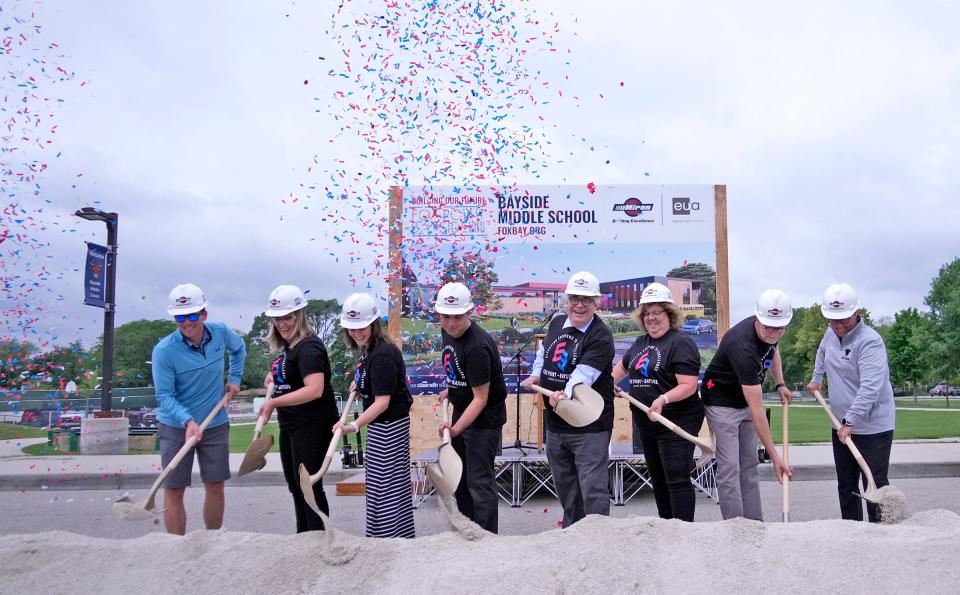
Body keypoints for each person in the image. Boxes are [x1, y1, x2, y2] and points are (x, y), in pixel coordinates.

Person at [521, 271, 615, 528]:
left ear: (597, 303)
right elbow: (544, 353)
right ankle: (574, 536)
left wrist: (566, 393)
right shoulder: (557, 323)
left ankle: (597, 538)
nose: (580, 305)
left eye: (587, 300)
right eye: (575, 298)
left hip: (590, 427)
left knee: (592, 490)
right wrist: (536, 375)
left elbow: (583, 377)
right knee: (566, 487)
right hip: (557, 424)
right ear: (566, 300)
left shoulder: (600, 336)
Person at [151, 283, 246, 535]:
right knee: (173, 488)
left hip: (214, 423)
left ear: (204, 314)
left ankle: (212, 541)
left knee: (215, 484)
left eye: (193, 315)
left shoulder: (221, 332)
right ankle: (176, 548)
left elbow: (239, 349)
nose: (187, 323)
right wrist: (187, 421)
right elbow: (165, 396)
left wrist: (235, 378)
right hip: (175, 425)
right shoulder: (164, 351)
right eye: (180, 317)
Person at [612, 283, 703, 521]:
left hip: (676, 421)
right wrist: (607, 383)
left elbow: (688, 385)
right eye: (646, 313)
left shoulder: (680, 343)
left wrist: (663, 398)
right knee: (659, 479)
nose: (651, 318)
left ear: (669, 314)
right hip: (648, 423)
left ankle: (682, 532)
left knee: (676, 478)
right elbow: (621, 369)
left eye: (657, 312)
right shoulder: (641, 343)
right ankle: (666, 528)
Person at [701, 289, 793, 521]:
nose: (774, 332)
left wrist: (780, 383)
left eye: (779, 328)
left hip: (743, 400)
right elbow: (757, 412)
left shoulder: (772, 331)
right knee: (730, 467)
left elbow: (773, 349)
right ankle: (736, 527)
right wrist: (775, 457)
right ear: (758, 319)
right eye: (769, 327)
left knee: (750, 466)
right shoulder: (742, 347)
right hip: (721, 401)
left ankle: (755, 525)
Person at [807, 283, 895, 523]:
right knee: (846, 484)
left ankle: (880, 533)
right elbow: (822, 352)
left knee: (874, 483)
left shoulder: (870, 342)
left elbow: (870, 388)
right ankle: (851, 532)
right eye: (832, 321)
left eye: (843, 320)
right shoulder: (831, 332)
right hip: (841, 423)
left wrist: (850, 421)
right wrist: (817, 378)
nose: (838, 326)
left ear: (856, 313)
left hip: (873, 426)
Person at [259, 285, 339, 533]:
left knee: (309, 486)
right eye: (278, 318)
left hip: (312, 424)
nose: (282, 323)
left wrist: (273, 402)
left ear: (300, 315)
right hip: (292, 425)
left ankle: (319, 540)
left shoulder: (309, 347)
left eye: (287, 317)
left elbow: (314, 389)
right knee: (295, 486)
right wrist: (274, 379)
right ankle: (304, 539)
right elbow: (293, 378)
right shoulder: (290, 348)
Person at [335, 293, 415, 538]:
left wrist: (355, 425)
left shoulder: (382, 354)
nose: (356, 333)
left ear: (373, 324)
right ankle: (388, 538)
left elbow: (383, 402)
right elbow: (375, 387)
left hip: (389, 426)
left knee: (386, 487)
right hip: (384, 425)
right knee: (382, 485)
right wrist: (361, 387)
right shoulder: (369, 350)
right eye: (351, 329)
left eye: (361, 327)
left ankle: (387, 541)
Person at [434, 282, 508, 533]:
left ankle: (487, 539)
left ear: (469, 313)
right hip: (463, 413)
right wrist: (452, 390)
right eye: (446, 317)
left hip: (484, 421)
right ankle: (468, 531)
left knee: (479, 482)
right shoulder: (448, 333)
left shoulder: (477, 346)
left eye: (457, 317)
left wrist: (454, 429)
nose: (451, 323)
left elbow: (480, 398)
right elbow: (461, 376)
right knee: (461, 481)